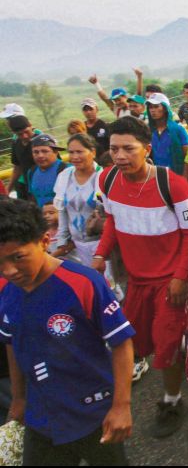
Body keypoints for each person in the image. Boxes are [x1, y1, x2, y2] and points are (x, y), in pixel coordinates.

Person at [0, 198, 135, 465]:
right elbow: (12, 343)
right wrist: (18, 398)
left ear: (44, 241)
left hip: (93, 415)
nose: (9, 271)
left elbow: (122, 343)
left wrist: (121, 406)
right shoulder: (7, 293)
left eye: (18, 257)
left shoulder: (83, 283)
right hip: (42, 419)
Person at [92, 116, 188, 438]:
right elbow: (112, 221)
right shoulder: (107, 180)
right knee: (135, 341)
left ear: (147, 149)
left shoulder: (173, 184)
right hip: (136, 280)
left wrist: (181, 277)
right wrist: (100, 255)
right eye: (114, 149)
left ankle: (172, 400)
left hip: (169, 280)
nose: (120, 156)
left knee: (166, 344)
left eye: (128, 148)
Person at [51, 133, 103, 267]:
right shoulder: (64, 177)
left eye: (79, 152)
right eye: (71, 152)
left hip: (102, 244)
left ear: (93, 152)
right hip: (78, 246)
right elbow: (62, 212)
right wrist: (62, 241)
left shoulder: (102, 176)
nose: (74, 157)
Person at [147, 93, 188, 176]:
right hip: (155, 176)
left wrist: (185, 177)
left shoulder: (178, 129)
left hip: (175, 175)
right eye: (150, 107)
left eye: (156, 106)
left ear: (165, 108)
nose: (152, 110)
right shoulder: (148, 131)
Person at [22, 134, 71, 207]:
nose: (40, 155)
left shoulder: (67, 170)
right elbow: (33, 198)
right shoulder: (32, 172)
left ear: (55, 152)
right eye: (36, 152)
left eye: (45, 151)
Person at [6, 114, 40, 199]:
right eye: (20, 134)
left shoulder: (42, 141)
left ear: (31, 126)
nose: (25, 136)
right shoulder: (16, 143)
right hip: (29, 187)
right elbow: (17, 168)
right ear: (14, 133)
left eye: (26, 132)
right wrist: (8, 189)